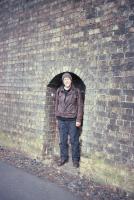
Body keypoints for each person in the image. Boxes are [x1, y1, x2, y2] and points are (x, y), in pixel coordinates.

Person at [55, 72, 83, 168]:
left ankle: (75, 159)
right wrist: (57, 115)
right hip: (61, 119)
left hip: (72, 120)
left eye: (68, 79)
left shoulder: (76, 91)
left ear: (71, 80)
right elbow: (56, 104)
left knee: (74, 140)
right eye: (65, 79)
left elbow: (80, 106)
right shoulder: (59, 91)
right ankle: (63, 158)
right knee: (62, 140)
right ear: (63, 81)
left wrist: (78, 119)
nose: (66, 81)